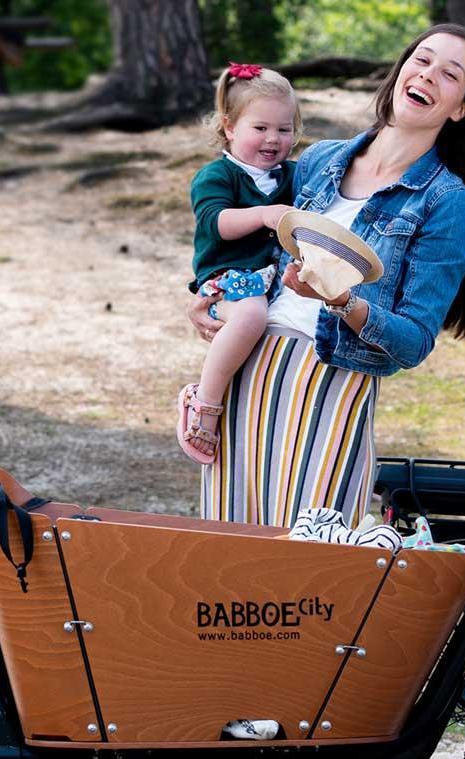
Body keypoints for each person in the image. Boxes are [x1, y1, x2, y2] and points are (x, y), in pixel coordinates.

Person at [186, 23, 465, 759]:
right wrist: (210, 307)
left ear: (461, 108)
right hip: (252, 381)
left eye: (450, 73)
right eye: (422, 58)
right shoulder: (319, 160)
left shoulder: (445, 201)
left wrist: (346, 301)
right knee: (244, 598)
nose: (428, 74)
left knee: (319, 606)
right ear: (401, 72)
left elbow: (412, 340)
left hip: (330, 395)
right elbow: (250, 259)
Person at [176, 63, 299, 464]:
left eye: (284, 129)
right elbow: (217, 223)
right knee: (249, 317)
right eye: (260, 128)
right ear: (229, 127)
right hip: (228, 278)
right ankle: (205, 404)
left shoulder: (293, 175)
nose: (273, 139)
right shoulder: (218, 175)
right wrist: (265, 214)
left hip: (274, 276)